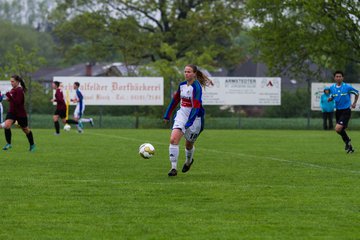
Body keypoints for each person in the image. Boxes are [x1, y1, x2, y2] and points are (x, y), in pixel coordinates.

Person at [163, 64, 213, 176]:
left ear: (194, 73)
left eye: (189, 72)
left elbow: (196, 106)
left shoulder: (196, 87)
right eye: (185, 71)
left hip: (195, 119)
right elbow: (175, 101)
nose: (186, 74)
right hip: (182, 115)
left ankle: (188, 161)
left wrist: (190, 122)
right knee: (173, 139)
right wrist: (167, 114)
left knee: (188, 145)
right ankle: (173, 168)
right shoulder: (182, 86)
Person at [0, 75, 35, 151]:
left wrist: (8, 95)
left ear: (17, 82)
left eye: (13, 81)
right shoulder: (12, 90)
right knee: (7, 125)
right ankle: (8, 144)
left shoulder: (19, 90)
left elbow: (18, 102)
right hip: (12, 112)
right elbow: (11, 99)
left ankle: (32, 145)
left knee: (25, 129)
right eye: (10, 81)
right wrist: (4, 98)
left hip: (20, 114)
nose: (11, 83)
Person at [328, 70, 359, 153]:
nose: (338, 78)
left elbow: (356, 93)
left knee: (338, 128)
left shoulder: (347, 87)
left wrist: (354, 103)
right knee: (340, 130)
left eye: (340, 76)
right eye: (337, 76)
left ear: (343, 78)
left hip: (346, 110)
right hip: (338, 111)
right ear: (334, 78)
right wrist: (330, 98)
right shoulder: (332, 88)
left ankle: (347, 141)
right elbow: (331, 95)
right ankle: (349, 146)